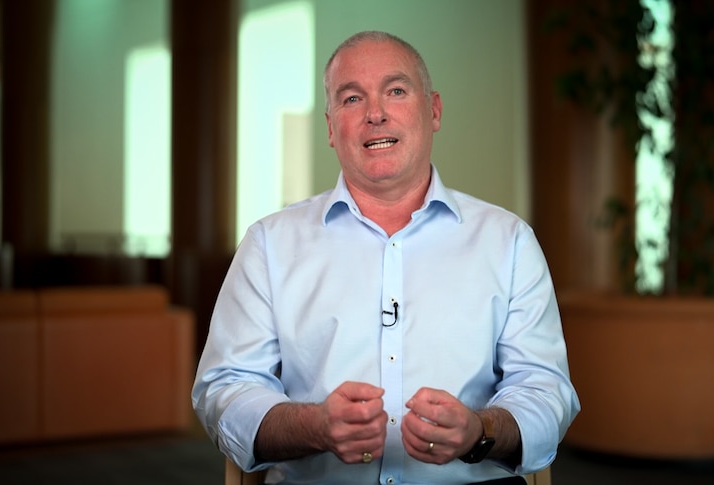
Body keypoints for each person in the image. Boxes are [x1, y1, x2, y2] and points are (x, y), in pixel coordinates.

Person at [192, 30, 580, 485]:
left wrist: (480, 431)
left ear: (433, 111)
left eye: (396, 91)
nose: (375, 113)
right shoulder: (269, 245)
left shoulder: (509, 242)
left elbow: (545, 389)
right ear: (331, 128)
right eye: (352, 98)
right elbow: (225, 389)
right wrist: (314, 426)